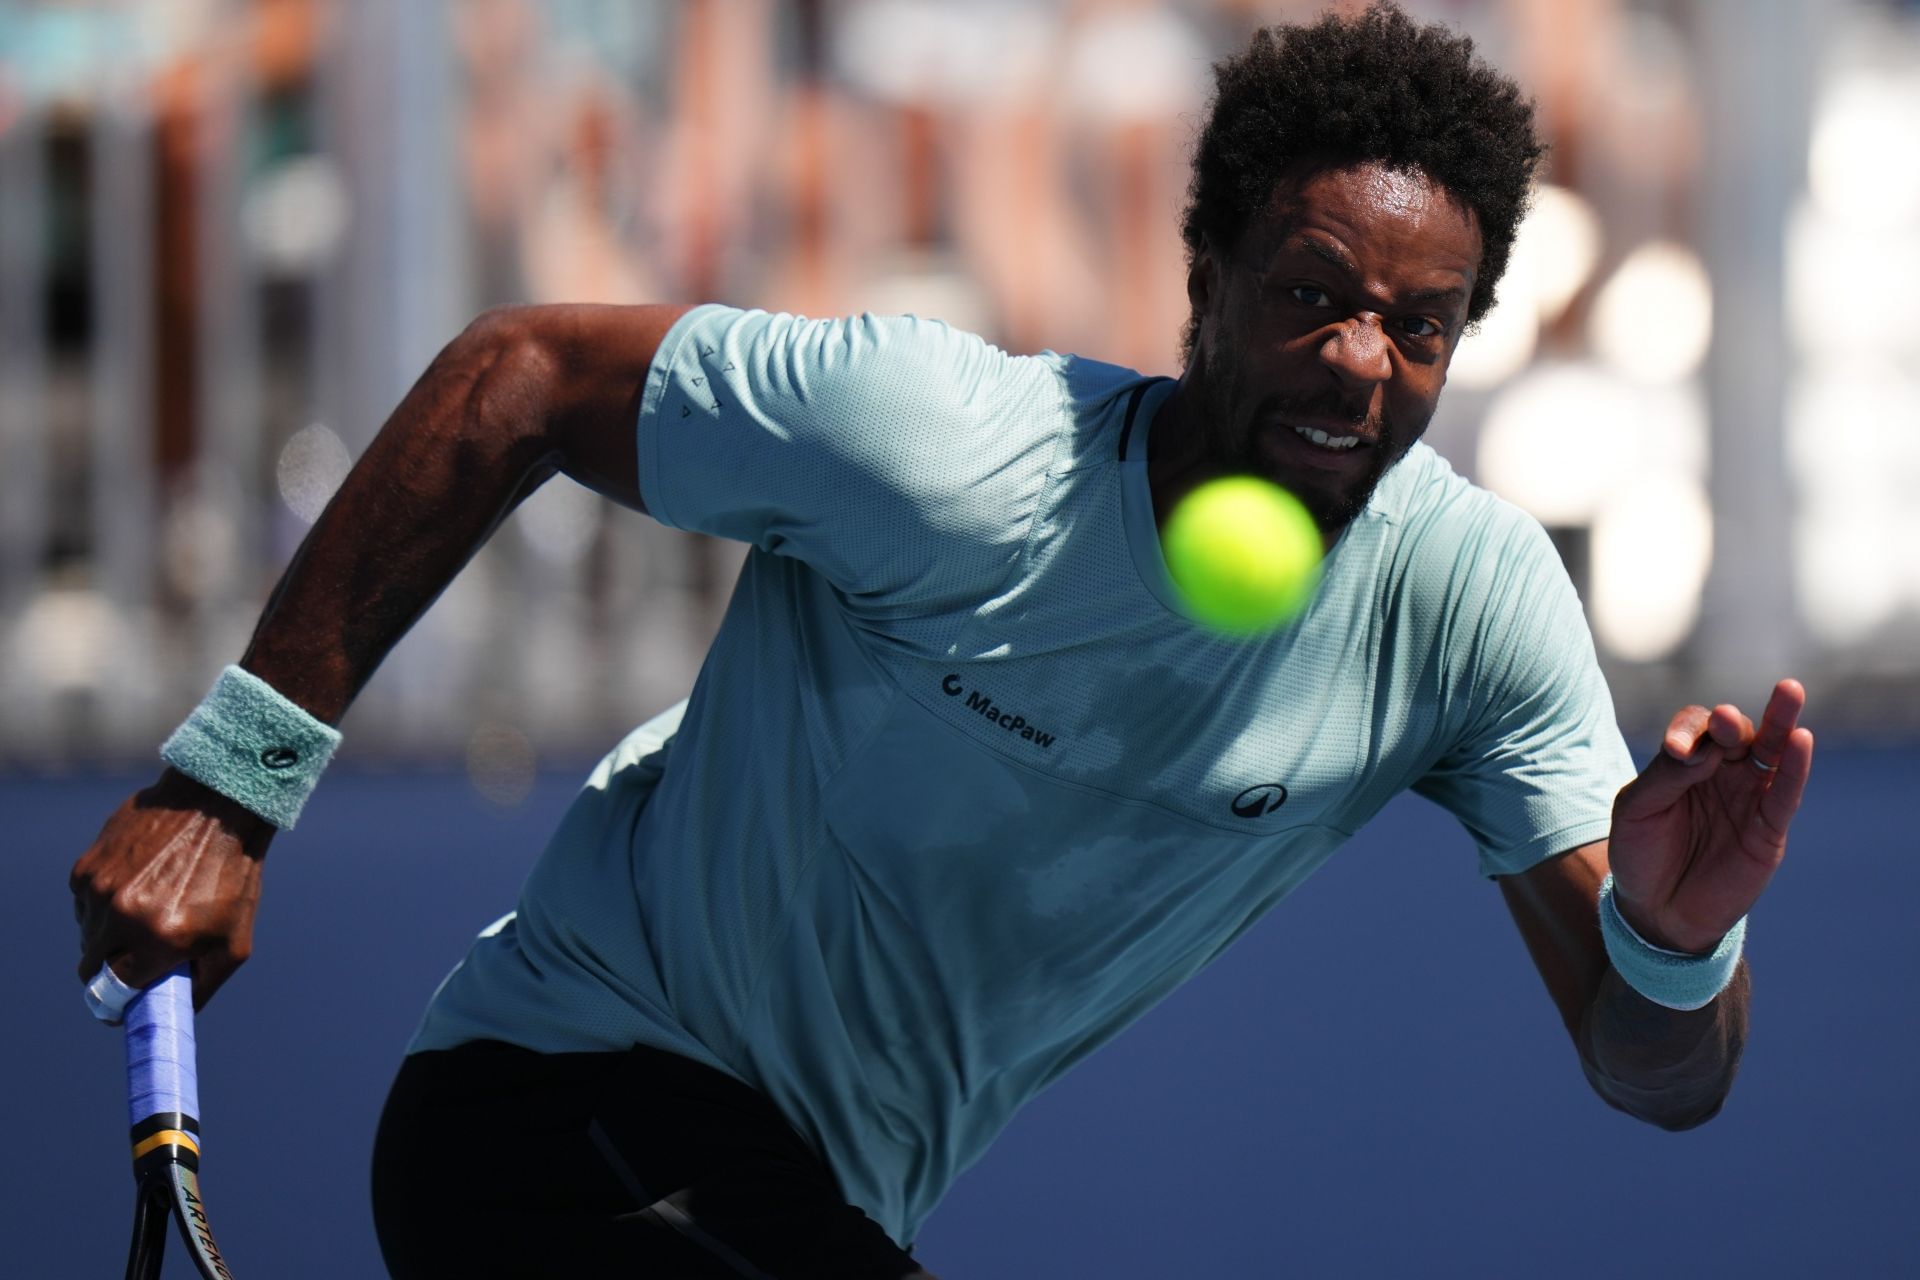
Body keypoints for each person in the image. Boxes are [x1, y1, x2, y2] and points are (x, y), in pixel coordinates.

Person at [70, 5, 1815, 1277]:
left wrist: (1668, 939)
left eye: (1419, 328)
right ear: (1201, 277)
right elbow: (515, 375)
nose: (1363, 361)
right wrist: (234, 778)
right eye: (1312, 295)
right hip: (552, 1105)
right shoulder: (940, 443)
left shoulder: (1470, 609)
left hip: (808, 1202)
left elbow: (1659, 1080)